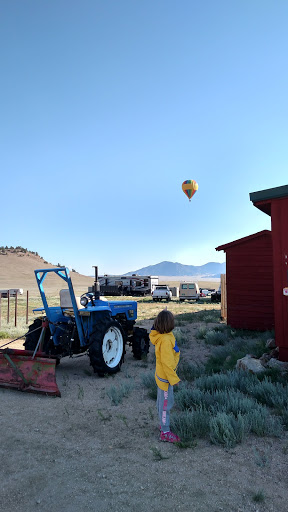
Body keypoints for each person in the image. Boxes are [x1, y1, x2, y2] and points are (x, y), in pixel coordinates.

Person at [149, 309, 181, 443]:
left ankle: (163, 425)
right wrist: (174, 379)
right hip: (166, 378)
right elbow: (167, 363)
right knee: (165, 405)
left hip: (161, 375)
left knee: (161, 402)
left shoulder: (162, 336)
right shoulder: (166, 340)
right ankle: (165, 432)